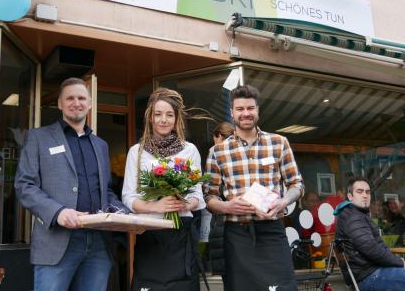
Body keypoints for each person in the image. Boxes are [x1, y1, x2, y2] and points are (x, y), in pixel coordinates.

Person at [15, 77, 128, 291]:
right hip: (57, 242)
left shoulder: (101, 145)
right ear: (59, 103)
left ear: (90, 103)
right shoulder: (39, 138)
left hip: (98, 243)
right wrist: (58, 212)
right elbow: (25, 185)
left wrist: (125, 215)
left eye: (81, 98)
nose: (76, 102)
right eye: (70, 98)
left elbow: (105, 192)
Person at [205, 85, 304, 291]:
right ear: (232, 113)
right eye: (240, 109)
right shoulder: (218, 152)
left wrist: (284, 201)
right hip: (236, 235)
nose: (246, 113)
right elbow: (209, 196)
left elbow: (297, 184)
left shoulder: (279, 143)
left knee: (283, 288)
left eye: (250, 108)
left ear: (257, 110)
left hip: (272, 231)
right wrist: (227, 207)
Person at [122, 88, 207, 291]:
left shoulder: (189, 150)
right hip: (150, 233)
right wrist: (156, 206)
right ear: (150, 117)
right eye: (158, 114)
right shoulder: (137, 152)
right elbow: (128, 196)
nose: (163, 120)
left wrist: (184, 203)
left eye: (169, 114)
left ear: (176, 118)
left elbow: (197, 195)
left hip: (181, 235)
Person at [335, 176, 405, 291]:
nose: (365, 195)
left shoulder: (356, 214)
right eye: (360, 191)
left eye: (367, 192)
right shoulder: (353, 217)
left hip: (372, 272)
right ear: (350, 196)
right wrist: (399, 262)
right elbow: (371, 249)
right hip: (369, 275)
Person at [207, 122, 235, 280]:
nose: (214, 142)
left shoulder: (215, 152)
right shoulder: (242, 150)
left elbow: (211, 189)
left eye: (214, 138)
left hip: (223, 217)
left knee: (229, 275)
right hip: (243, 219)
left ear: (219, 136)